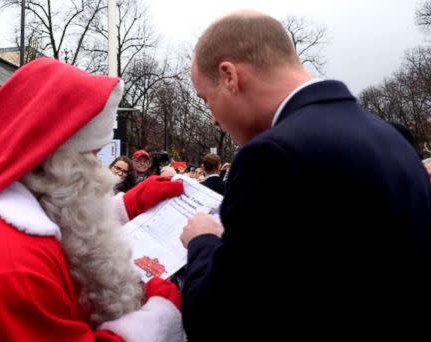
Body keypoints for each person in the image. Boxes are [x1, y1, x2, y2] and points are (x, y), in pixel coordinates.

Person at [0, 58, 185, 342]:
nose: (100, 172)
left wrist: (127, 205)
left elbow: (63, 213)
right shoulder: (8, 265)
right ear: (55, 158)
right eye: (92, 156)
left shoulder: (5, 211)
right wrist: (156, 320)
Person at [180, 10, 431, 340]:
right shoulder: (388, 136)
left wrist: (203, 241)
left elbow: (216, 320)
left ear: (230, 76)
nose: (213, 118)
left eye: (206, 99)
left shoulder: (272, 156)